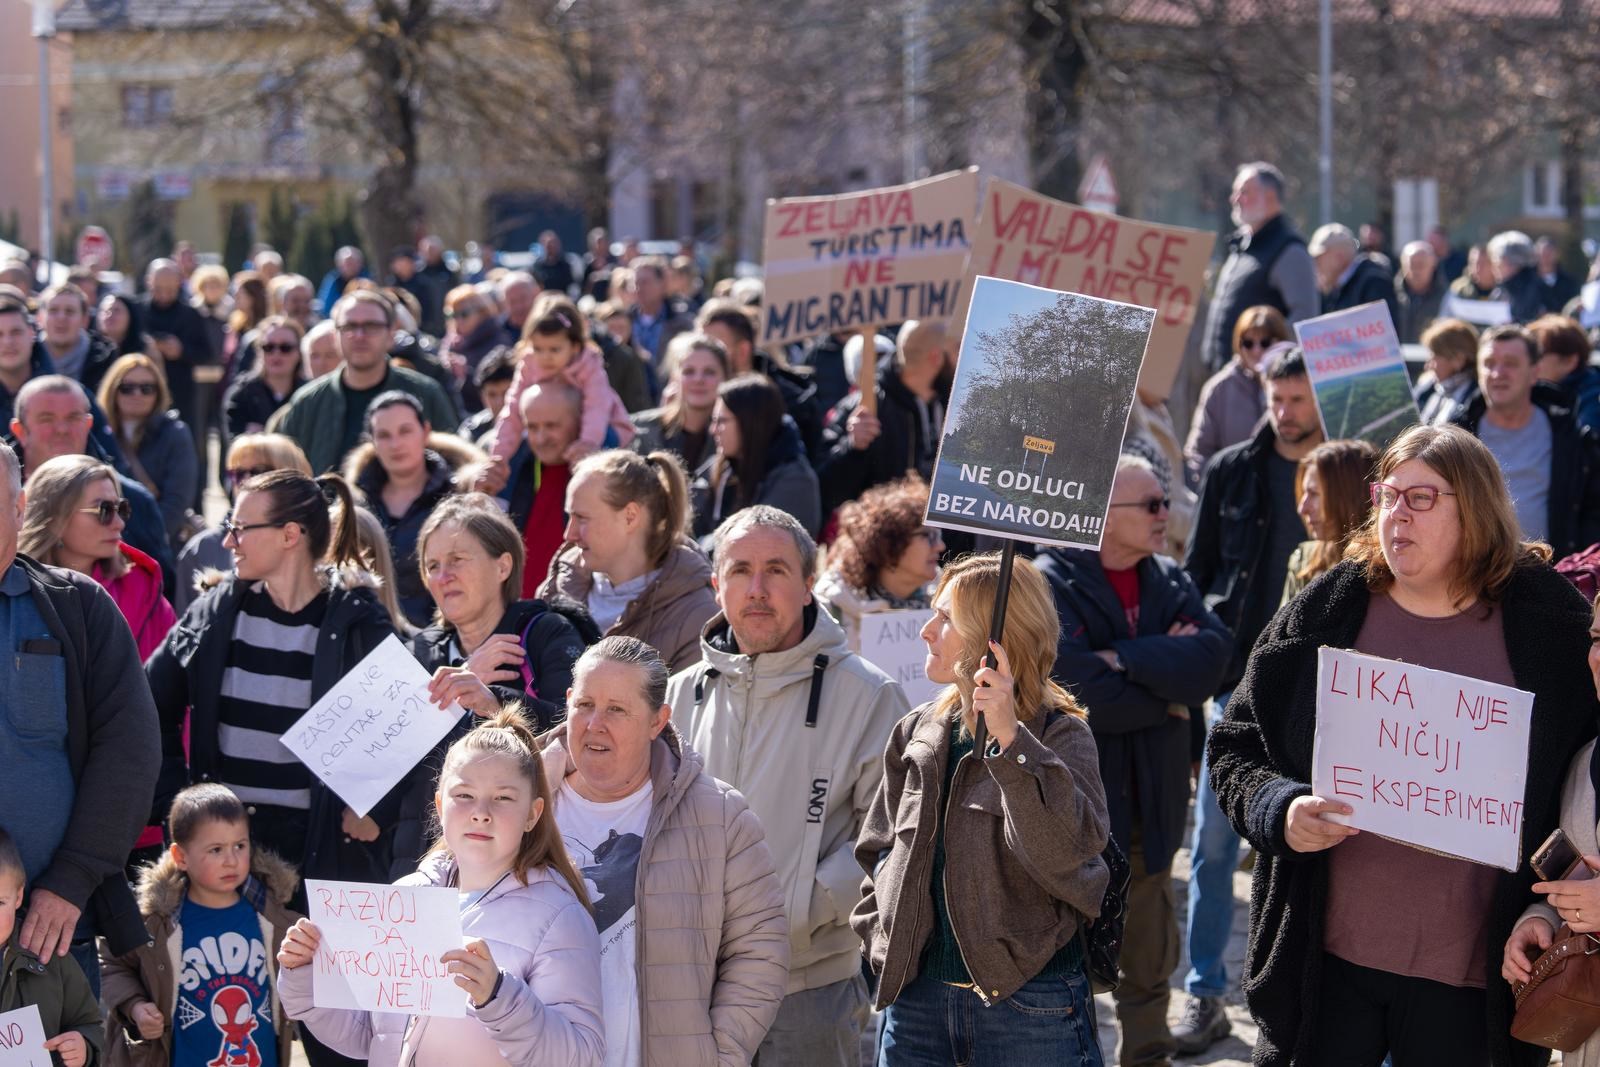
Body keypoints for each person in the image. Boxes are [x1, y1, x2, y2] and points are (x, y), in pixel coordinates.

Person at [1208, 423, 1599, 1066]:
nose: (1398, 514)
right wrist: (1280, 809)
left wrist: (1557, 901)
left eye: (1421, 498)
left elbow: (1587, 777)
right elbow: (1234, 745)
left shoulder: (1550, 625)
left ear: (1475, 509)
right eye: (1388, 496)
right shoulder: (1329, 609)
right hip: (1325, 971)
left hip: (1473, 987)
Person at [667, 505, 910, 1066]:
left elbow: (898, 835)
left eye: (775, 570)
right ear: (716, 585)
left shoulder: (870, 695)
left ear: (807, 585)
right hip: (688, 989)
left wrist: (803, 906)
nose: (757, 589)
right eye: (739, 570)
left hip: (807, 989)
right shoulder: (676, 695)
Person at [853, 551, 1111, 1064]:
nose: (926, 631)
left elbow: (1066, 857)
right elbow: (878, 847)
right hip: (915, 1006)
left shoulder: (1061, 736)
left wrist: (1012, 742)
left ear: (996, 640)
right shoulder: (916, 730)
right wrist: (879, 935)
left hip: (1031, 1007)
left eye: (946, 618)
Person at [1036, 457, 1230, 1067]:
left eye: (1164, 501)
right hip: (1077, 805)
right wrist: (1163, 688)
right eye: (1150, 505)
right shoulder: (1050, 580)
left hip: (1154, 800)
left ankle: (1147, 1055)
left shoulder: (1169, 577)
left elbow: (1213, 659)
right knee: (1063, 957)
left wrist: (1120, 657)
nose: (1165, 514)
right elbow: (1074, 686)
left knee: (1148, 951)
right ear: (1103, 515)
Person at [276, 709, 605, 1067]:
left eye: (503, 798)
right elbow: (367, 1034)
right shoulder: (405, 897)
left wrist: (498, 996)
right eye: (464, 795)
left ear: (533, 814)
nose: (481, 812)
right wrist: (307, 971)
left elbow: (583, 1056)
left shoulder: (560, 916)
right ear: (438, 804)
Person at [535, 637, 788, 1064]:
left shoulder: (719, 815)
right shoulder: (517, 801)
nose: (595, 723)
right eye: (585, 704)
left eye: (617, 709)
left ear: (658, 721)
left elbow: (759, 953)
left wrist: (717, 1057)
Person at [144, 470, 398, 898]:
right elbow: (148, 705)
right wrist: (176, 803)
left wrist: (377, 806)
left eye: (240, 528)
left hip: (316, 854)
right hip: (222, 853)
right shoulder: (215, 611)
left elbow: (412, 728)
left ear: (290, 535)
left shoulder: (358, 621)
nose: (229, 542)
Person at [1173, 346, 1326, 1054]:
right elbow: (1198, 570)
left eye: (1298, 400)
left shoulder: (1348, 473)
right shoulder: (1233, 468)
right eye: (1276, 399)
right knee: (1210, 846)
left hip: (1321, 696)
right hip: (1235, 683)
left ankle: (1293, 1002)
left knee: (1305, 850)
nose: (1284, 413)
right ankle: (1203, 989)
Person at [0, 435, 160, 997]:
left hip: (50, 929)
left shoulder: (77, 607)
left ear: (20, 508)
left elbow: (129, 749)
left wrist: (73, 877)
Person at [98, 784, 300, 1067]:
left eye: (240, 846)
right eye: (216, 850)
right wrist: (136, 1007)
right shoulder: (155, 922)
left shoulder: (275, 918)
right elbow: (110, 963)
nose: (231, 860)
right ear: (181, 857)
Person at [1505, 594, 1600, 1066]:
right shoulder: (1584, 762)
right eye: (1598, 638)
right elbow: (1578, 882)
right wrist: (1539, 920)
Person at [412, 494, 590, 732]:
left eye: (457, 559)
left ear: (503, 567)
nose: (444, 577)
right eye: (433, 566)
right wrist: (467, 674)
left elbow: (580, 726)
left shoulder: (548, 633)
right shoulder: (418, 653)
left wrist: (494, 703)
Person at [539, 449, 717, 672]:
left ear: (630, 517)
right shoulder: (559, 584)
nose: (569, 534)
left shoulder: (695, 615)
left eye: (582, 518)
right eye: (569, 516)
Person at [11, 375, 174, 592]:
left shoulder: (135, 499)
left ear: (89, 424)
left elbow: (163, 588)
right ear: (20, 431)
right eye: (47, 419)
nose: (62, 429)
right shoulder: (4, 496)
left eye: (73, 417)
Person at [1449, 323, 1600, 557]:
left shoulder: (1569, 434)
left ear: (1534, 372)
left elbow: (1591, 509)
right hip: (1474, 570)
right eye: (1489, 363)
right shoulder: (1457, 436)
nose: (1498, 373)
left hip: (1552, 571)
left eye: (1510, 363)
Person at [273, 290, 458, 473]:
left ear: (391, 334)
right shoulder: (308, 403)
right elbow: (281, 475)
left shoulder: (426, 394)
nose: (359, 335)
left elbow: (454, 464)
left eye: (371, 326)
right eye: (349, 326)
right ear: (335, 336)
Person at [20, 454, 175, 660]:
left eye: (121, 509)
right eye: (104, 510)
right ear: (55, 519)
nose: (119, 523)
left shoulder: (145, 592)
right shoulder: (13, 590)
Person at [343, 391, 477, 626]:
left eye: (405, 431)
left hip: (446, 633)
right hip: (373, 636)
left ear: (425, 432)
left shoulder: (461, 497)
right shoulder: (355, 506)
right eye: (384, 435)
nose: (396, 444)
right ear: (371, 441)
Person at [816, 320, 947, 516]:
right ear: (936, 357)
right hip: (887, 530)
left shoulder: (956, 403)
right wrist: (853, 447)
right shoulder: (862, 409)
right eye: (956, 350)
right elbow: (826, 491)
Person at [486, 298, 635, 467]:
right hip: (551, 432)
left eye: (554, 349)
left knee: (599, 457)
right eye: (538, 348)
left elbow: (596, 406)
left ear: (575, 346)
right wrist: (498, 456)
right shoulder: (529, 363)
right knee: (520, 456)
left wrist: (588, 442)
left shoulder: (588, 364)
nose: (546, 356)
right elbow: (513, 409)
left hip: (601, 428)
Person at [173, 433, 311, 614]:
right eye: (238, 474)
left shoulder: (319, 547)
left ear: (293, 479)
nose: (245, 482)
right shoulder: (201, 551)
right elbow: (186, 626)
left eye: (259, 472)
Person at [1202, 162, 1319, 371]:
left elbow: (1303, 317)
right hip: (1228, 378)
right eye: (1235, 192)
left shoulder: (1289, 250)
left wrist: (1265, 363)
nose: (1235, 199)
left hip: (1258, 382)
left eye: (1244, 192)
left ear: (1271, 195)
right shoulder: (1243, 244)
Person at [0, 829, 102, 1067]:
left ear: (18, 896)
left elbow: (88, 1022)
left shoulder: (48, 957)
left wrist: (83, 1046)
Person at [813, 475, 941, 650]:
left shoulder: (948, 600)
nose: (940, 545)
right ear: (888, 543)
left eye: (938, 535)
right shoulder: (832, 606)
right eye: (927, 536)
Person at [691, 374, 821, 540]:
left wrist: (697, 550)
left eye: (721, 421)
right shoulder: (722, 467)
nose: (713, 430)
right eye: (713, 420)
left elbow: (756, 543)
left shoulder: (794, 481)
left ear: (750, 424)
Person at [697, 299, 822, 457]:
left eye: (715, 348)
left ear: (743, 351)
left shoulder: (787, 403)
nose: (704, 357)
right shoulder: (697, 392)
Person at [98, 354, 199, 549]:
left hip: (157, 544)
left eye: (146, 388)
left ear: (158, 393)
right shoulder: (98, 434)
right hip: (105, 542)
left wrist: (147, 542)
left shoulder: (175, 433)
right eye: (127, 388)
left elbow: (177, 501)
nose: (137, 394)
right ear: (112, 390)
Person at [1184, 306, 1288, 486]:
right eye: (1248, 343)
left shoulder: (1297, 385)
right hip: (1234, 492)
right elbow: (1199, 452)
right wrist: (1216, 491)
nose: (1256, 350)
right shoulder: (1219, 388)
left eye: (1265, 343)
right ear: (1238, 345)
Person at [1281, 438, 1380, 602]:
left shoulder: (1385, 574)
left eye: (1314, 494)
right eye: (1304, 493)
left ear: (1347, 496)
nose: (1302, 508)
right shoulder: (1303, 561)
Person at [137, 259, 212, 457]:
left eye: (170, 290)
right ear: (148, 282)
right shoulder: (137, 310)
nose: (164, 295)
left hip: (180, 393)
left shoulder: (191, 314)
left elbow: (206, 354)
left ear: (179, 284)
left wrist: (181, 351)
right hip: (140, 391)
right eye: (158, 289)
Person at [629, 331, 728, 472]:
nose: (698, 379)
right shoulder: (639, 430)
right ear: (675, 377)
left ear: (725, 378)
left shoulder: (734, 437)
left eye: (709, 372)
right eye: (689, 371)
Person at [223, 315, 306, 446]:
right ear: (259, 351)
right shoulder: (242, 394)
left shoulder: (309, 395)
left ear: (299, 352)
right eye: (268, 347)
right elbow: (234, 446)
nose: (276, 354)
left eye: (285, 348)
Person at [36, 283, 118, 394]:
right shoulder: (27, 356)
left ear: (85, 320)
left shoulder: (106, 359)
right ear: (39, 317)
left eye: (70, 311)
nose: (61, 318)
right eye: (53, 310)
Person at [1309, 223, 1398, 323]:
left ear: (1339, 257)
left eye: (1318, 259)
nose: (1316, 266)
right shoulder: (1335, 288)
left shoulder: (1373, 283)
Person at [1529, 312, 1600, 434]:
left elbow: (1582, 441)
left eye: (1538, 355)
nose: (1530, 362)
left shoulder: (1593, 399)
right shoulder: (1531, 393)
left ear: (1570, 361)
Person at [441, 284, 505, 413]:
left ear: (482, 312)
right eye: (452, 315)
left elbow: (499, 387)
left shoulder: (497, 342)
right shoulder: (451, 343)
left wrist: (467, 374)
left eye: (464, 314)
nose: (458, 320)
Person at [1415, 318, 1480, 426]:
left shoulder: (1475, 402)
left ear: (1458, 359)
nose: (1427, 366)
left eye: (1433, 357)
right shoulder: (1430, 388)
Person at [458, 345, 517, 447]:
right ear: (482, 396)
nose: (500, 402)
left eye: (507, 393)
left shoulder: (537, 426)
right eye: (492, 395)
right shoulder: (472, 431)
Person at [1394, 239, 1447, 344]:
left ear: (1433, 265)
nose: (1416, 270)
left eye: (1421, 265)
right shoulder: (1389, 294)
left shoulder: (1447, 297)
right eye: (1411, 265)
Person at [1488, 230, 1544, 324]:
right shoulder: (1502, 289)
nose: (1494, 267)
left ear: (1515, 263)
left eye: (1498, 262)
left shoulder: (1533, 290)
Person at [314, 246, 366, 318]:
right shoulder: (333, 280)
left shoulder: (367, 280)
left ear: (360, 264)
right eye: (347, 263)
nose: (349, 267)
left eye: (352, 263)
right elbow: (325, 305)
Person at [1537, 235, 1582, 315]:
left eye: (1549, 254)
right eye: (1542, 254)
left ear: (1557, 254)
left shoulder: (1569, 283)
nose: (1545, 258)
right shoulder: (1526, 281)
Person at [98, 294, 151, 359]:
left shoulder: (146, 351)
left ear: (130, 316)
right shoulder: (91, 350)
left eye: (116, 311)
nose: (110, 315)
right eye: (106, 311)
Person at [496, 271, 539, 340]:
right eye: (512, 301)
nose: (519, 306)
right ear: (504, 304)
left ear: (536, 294)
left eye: (523, 298)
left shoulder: (551, 325)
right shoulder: (497, 332)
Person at [533, 231, 575, 295]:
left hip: (561, 298)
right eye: (548, 246)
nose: (551, 248)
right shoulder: (537, 266)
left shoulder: (565, 265)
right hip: (543, 298)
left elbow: (571, 286)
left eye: (553, 244)